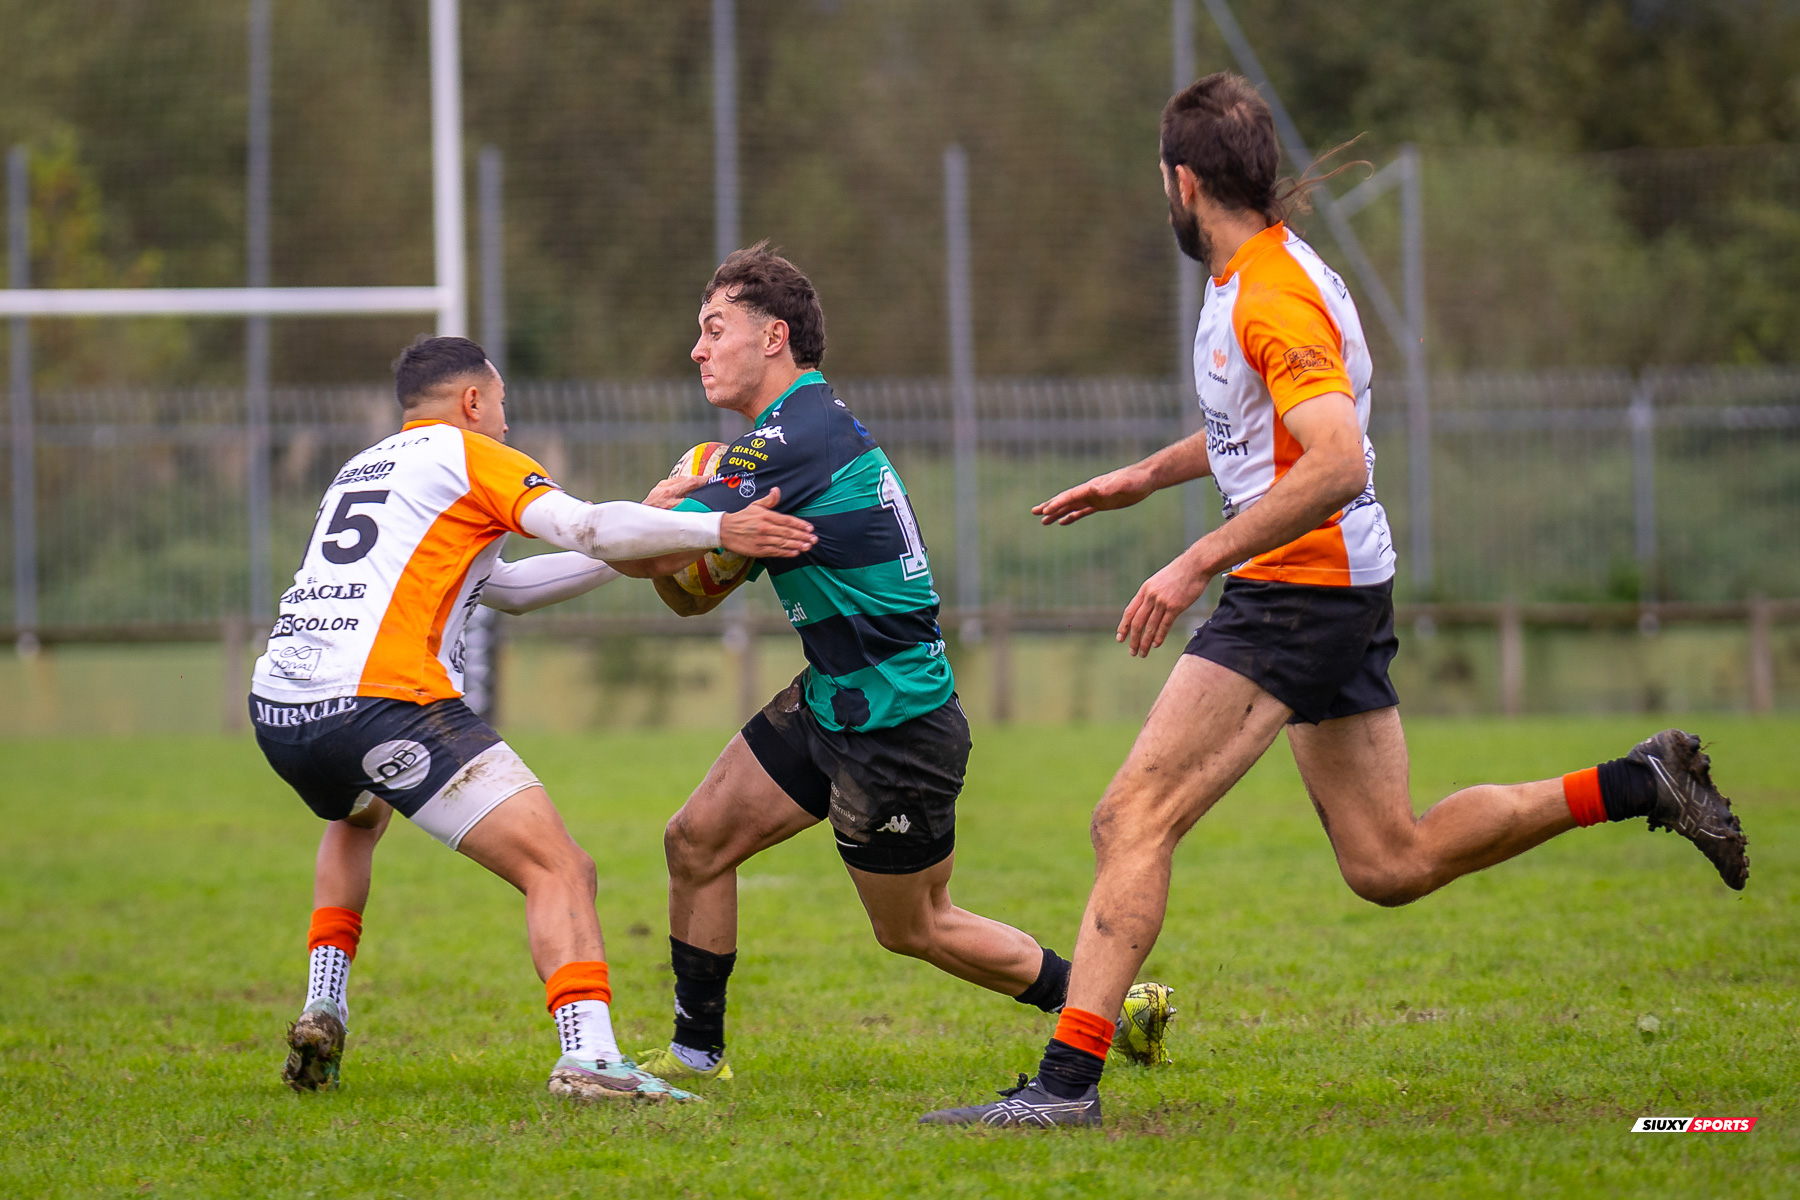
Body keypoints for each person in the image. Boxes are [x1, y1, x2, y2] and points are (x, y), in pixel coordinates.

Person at [919, 73, 1748, 1129]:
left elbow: (1339, 459)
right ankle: (1641, 782)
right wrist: (1144, 477)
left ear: (1182, 182)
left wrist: (1192, 563)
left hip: (1299, 591)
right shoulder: (1262, 274)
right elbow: (1267, 436)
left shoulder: (1270, 291)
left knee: (1131, 817)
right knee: (1388, 862)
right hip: (1336, 581)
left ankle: (1066, 1085)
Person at [615, 244, 1172, 1085]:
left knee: (915, 926)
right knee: (695, 842)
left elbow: (653, 558)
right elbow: (689, 592)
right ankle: (696, 1057)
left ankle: (1107, 1003)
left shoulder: (789, 440)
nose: (697, 349)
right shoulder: (775, 448)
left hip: (895, 720)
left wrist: (661, 511)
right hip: (835, 696)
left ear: (773, 338)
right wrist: (679, 534)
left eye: (713, 328)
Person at [255, 334, 817, 1102]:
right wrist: (716, 528)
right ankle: (588, 1057)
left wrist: (647, 522)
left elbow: (510, 590)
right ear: (473, 402)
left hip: (283, 709)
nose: (509, 427)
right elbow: (587, 528)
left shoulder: (364, 467)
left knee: (357, 817)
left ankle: (325, 1001)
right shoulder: (471, 454)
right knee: (560, 867)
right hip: (384, 702)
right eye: (504, 407)